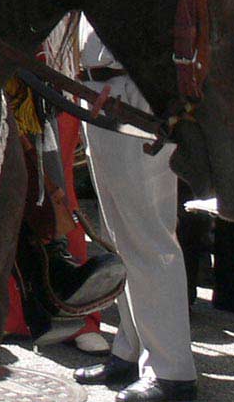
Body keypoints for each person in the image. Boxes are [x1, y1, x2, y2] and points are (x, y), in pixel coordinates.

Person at [76, 27, 196, 401]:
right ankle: (130, 350)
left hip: (132, 91)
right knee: (119, 235)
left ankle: (171, 371)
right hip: (103, 88)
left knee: (148, 236)